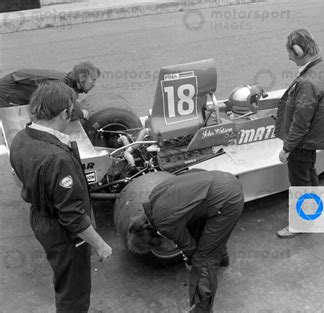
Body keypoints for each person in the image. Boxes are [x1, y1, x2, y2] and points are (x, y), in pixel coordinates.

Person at [9, 81, 112, 313]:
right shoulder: (58, 160)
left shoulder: (21, 138)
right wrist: (101, 245)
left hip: (39, 217)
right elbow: (73, 218)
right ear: (65, 113)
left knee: (64, 277)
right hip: (63, 233)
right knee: (74, 294)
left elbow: (18, 178)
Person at [127, 170, 244, 313]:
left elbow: (189, 246)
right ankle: (222, 258)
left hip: (227, 200)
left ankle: (203, 309)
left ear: (152, 242)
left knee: (202, 260)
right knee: (208, 238)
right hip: (223, 179)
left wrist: (190, 261)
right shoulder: (154, 197)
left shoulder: (164, 224)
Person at [274, 28, 324, 238]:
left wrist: (287, 148)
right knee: (309, 173)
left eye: (289, 52)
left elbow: (300, 124)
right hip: (316, 138)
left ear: (298, 51)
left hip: (303, 142)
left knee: (299, 183)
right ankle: (313, 211)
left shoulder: (306, 83)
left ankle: (301, 223)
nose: (288, 57)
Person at [0, 61, 100, 119]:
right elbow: (58, 111)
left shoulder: (67, 81)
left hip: (15, 84)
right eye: (93, 79)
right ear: (82, 77)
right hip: (7, 92)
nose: (94, 84)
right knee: (9, 122)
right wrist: (82, 114)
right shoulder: (63, 85)